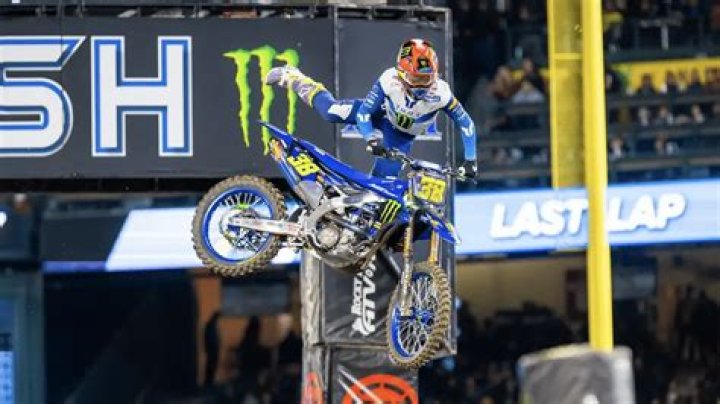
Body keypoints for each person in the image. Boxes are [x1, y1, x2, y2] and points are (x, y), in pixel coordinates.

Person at [265, 39, 478, 179]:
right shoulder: (389, 80)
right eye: (416, 78)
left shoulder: (442, 93)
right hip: (380, 114)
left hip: (400, 136)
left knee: (383, 184)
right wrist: (370, 139)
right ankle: (294, 78)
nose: (423, 85)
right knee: (331, 111)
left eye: (427, 78)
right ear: (401, 73)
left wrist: (471, 160)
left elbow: (466, 123)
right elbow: (365, 113)